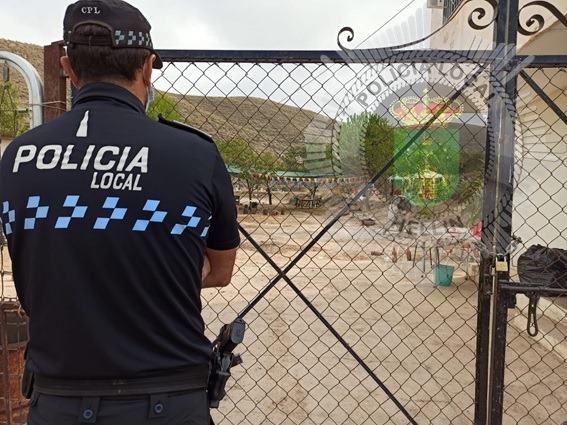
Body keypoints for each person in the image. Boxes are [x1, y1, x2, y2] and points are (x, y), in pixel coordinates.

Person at [0, 0, 240, 423]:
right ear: (148, 67)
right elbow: (219, 271)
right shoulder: (195, 154)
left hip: (58, 401)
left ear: (69, 68)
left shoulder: (17, 157)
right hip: (171, 400)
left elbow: (31, 255)